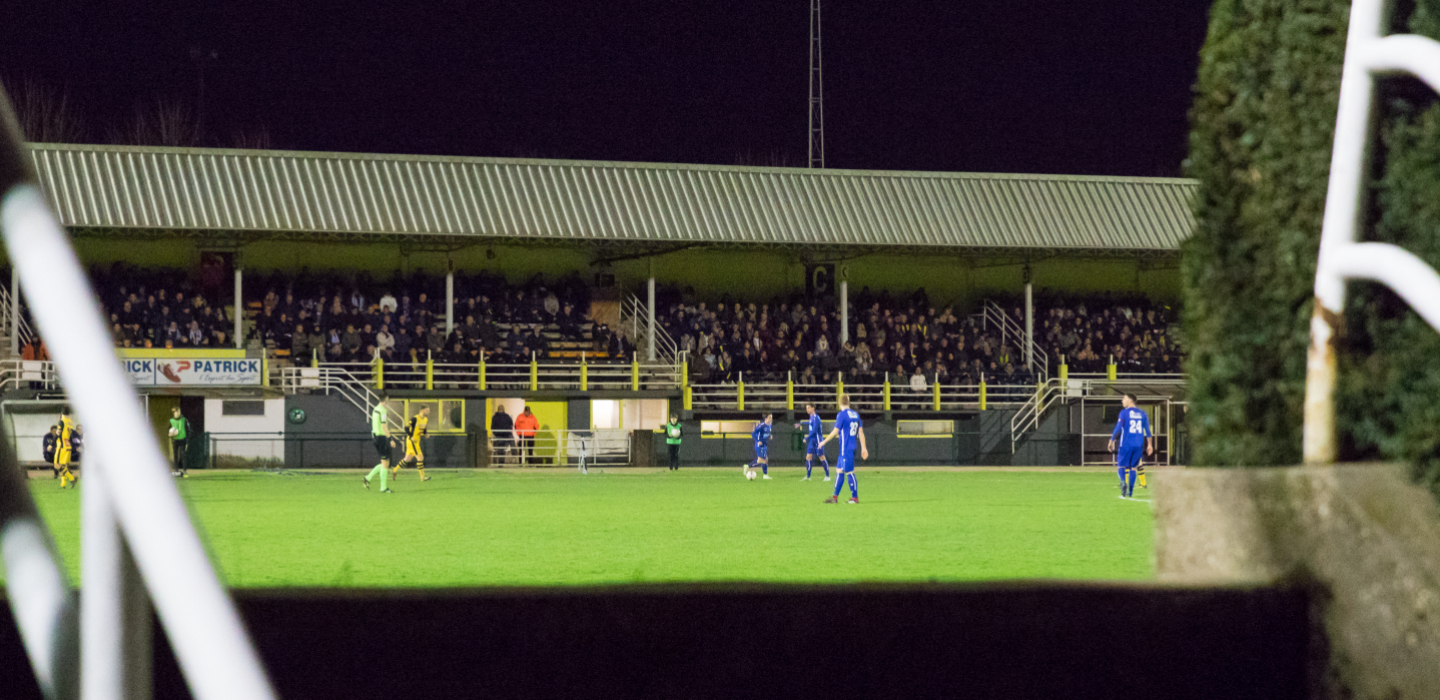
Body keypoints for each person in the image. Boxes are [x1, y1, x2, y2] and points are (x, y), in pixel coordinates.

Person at [818, 394, 868, 504]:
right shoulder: (856, 414)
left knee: (849, 472)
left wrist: (823, 441)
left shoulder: (841, 415)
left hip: (846, 448)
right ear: (849, 402)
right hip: (850, 447)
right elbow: (860, 432)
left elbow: (835, 431)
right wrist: (864, 448)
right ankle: (834, 497)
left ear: (839, 403)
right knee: (839, 471)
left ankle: (855, 498)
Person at [1108, 393, 1153, 498]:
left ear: (1130, 400)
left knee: (1121, 466)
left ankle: (1123, 483)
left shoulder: (1124, 413)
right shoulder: (1142, 414)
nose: (1122, 401)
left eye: (1124, 399)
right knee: (1133, 468)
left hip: (1126, 444)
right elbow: (1147, 430)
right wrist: (1150, 444)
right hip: (1138, 445)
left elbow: (1118, 428)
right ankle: (1130, 492)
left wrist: (1111, 439)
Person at [363, 401, 397, 493]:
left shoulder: (375, 409)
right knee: (385, 463)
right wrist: (391, 439)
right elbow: (384, 426)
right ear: (385, 400)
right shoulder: (383, 410)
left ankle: (368, 478)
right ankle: (383, 488)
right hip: (381, 438)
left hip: (376, 436)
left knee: (385, 463)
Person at [393, 405, 431, 482]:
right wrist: (411, 436)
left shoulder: (426, 419)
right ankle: (422, 477)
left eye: (428, 410)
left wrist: (425, 434)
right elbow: (406, 428)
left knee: (407, 458)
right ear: (422, 410)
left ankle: (394, 470)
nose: (428, 412)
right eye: (427, 410)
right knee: (420, 457)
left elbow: (423, 430)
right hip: (412, 441)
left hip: (417, 440)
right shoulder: (415, 418)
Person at [794, 403, 831, 481]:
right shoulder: (811, 417)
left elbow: (814, 431)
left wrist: (806, 438)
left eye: (808, 408)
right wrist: (800, 423)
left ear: (813, 408)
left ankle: (827, 476)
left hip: (817, 439)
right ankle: (808, 476)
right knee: (808, 457)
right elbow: (809, 422)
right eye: (806, 408)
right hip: (812, 440)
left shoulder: (816, 418)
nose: (807, 409)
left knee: (821, 457)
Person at [52, 408, 78, 489]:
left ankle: (71, 478)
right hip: (68, 445)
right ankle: (63, 484)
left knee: (57, 465)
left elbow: (59, 433)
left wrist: (52, 443)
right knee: (63, 466)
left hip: (62, 445)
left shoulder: (61, 421)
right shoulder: (70, 422)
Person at [744, 414, 773, 480]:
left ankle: (765, 475)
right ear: (766, 418)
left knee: (765, 459)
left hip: (765, 444)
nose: (771, 419)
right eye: (769, 417)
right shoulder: (760, 426)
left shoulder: (770, 425)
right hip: (759, 445)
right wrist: (758, 440)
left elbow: (768, 433)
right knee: (760, 460)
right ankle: (748, 466)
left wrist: (770, 436)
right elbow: (753, 434)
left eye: (771, 417)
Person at [169, 406, 191, 478]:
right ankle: (176, 470)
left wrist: (187, 440)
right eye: (174, 412)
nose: (175, 413)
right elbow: (168, 431)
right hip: (175, 440)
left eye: (176, 411)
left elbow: (188, 430)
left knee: (183, 455)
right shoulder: (171, 420)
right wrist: (171, 434)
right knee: (175, 455)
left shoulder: (184, 420)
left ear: (179, 412)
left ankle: (184, 470)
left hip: (183, 440)